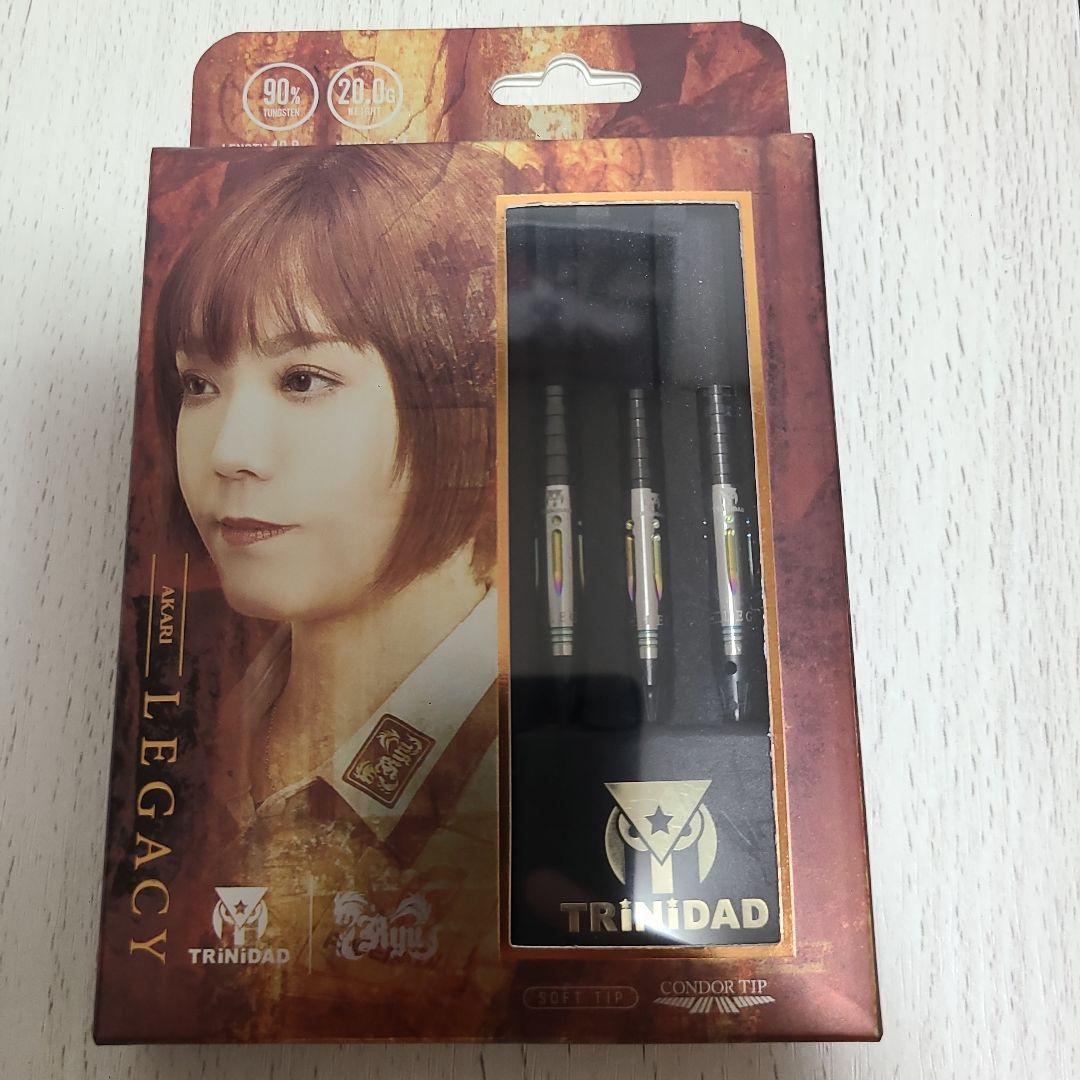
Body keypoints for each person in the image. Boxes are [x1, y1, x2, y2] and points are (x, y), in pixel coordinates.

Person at [152, 145, 513, 1038]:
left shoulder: (540, 763)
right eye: (199, 383)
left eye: (303, 379)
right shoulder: (189, 731)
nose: (230, 451)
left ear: (462, 396)